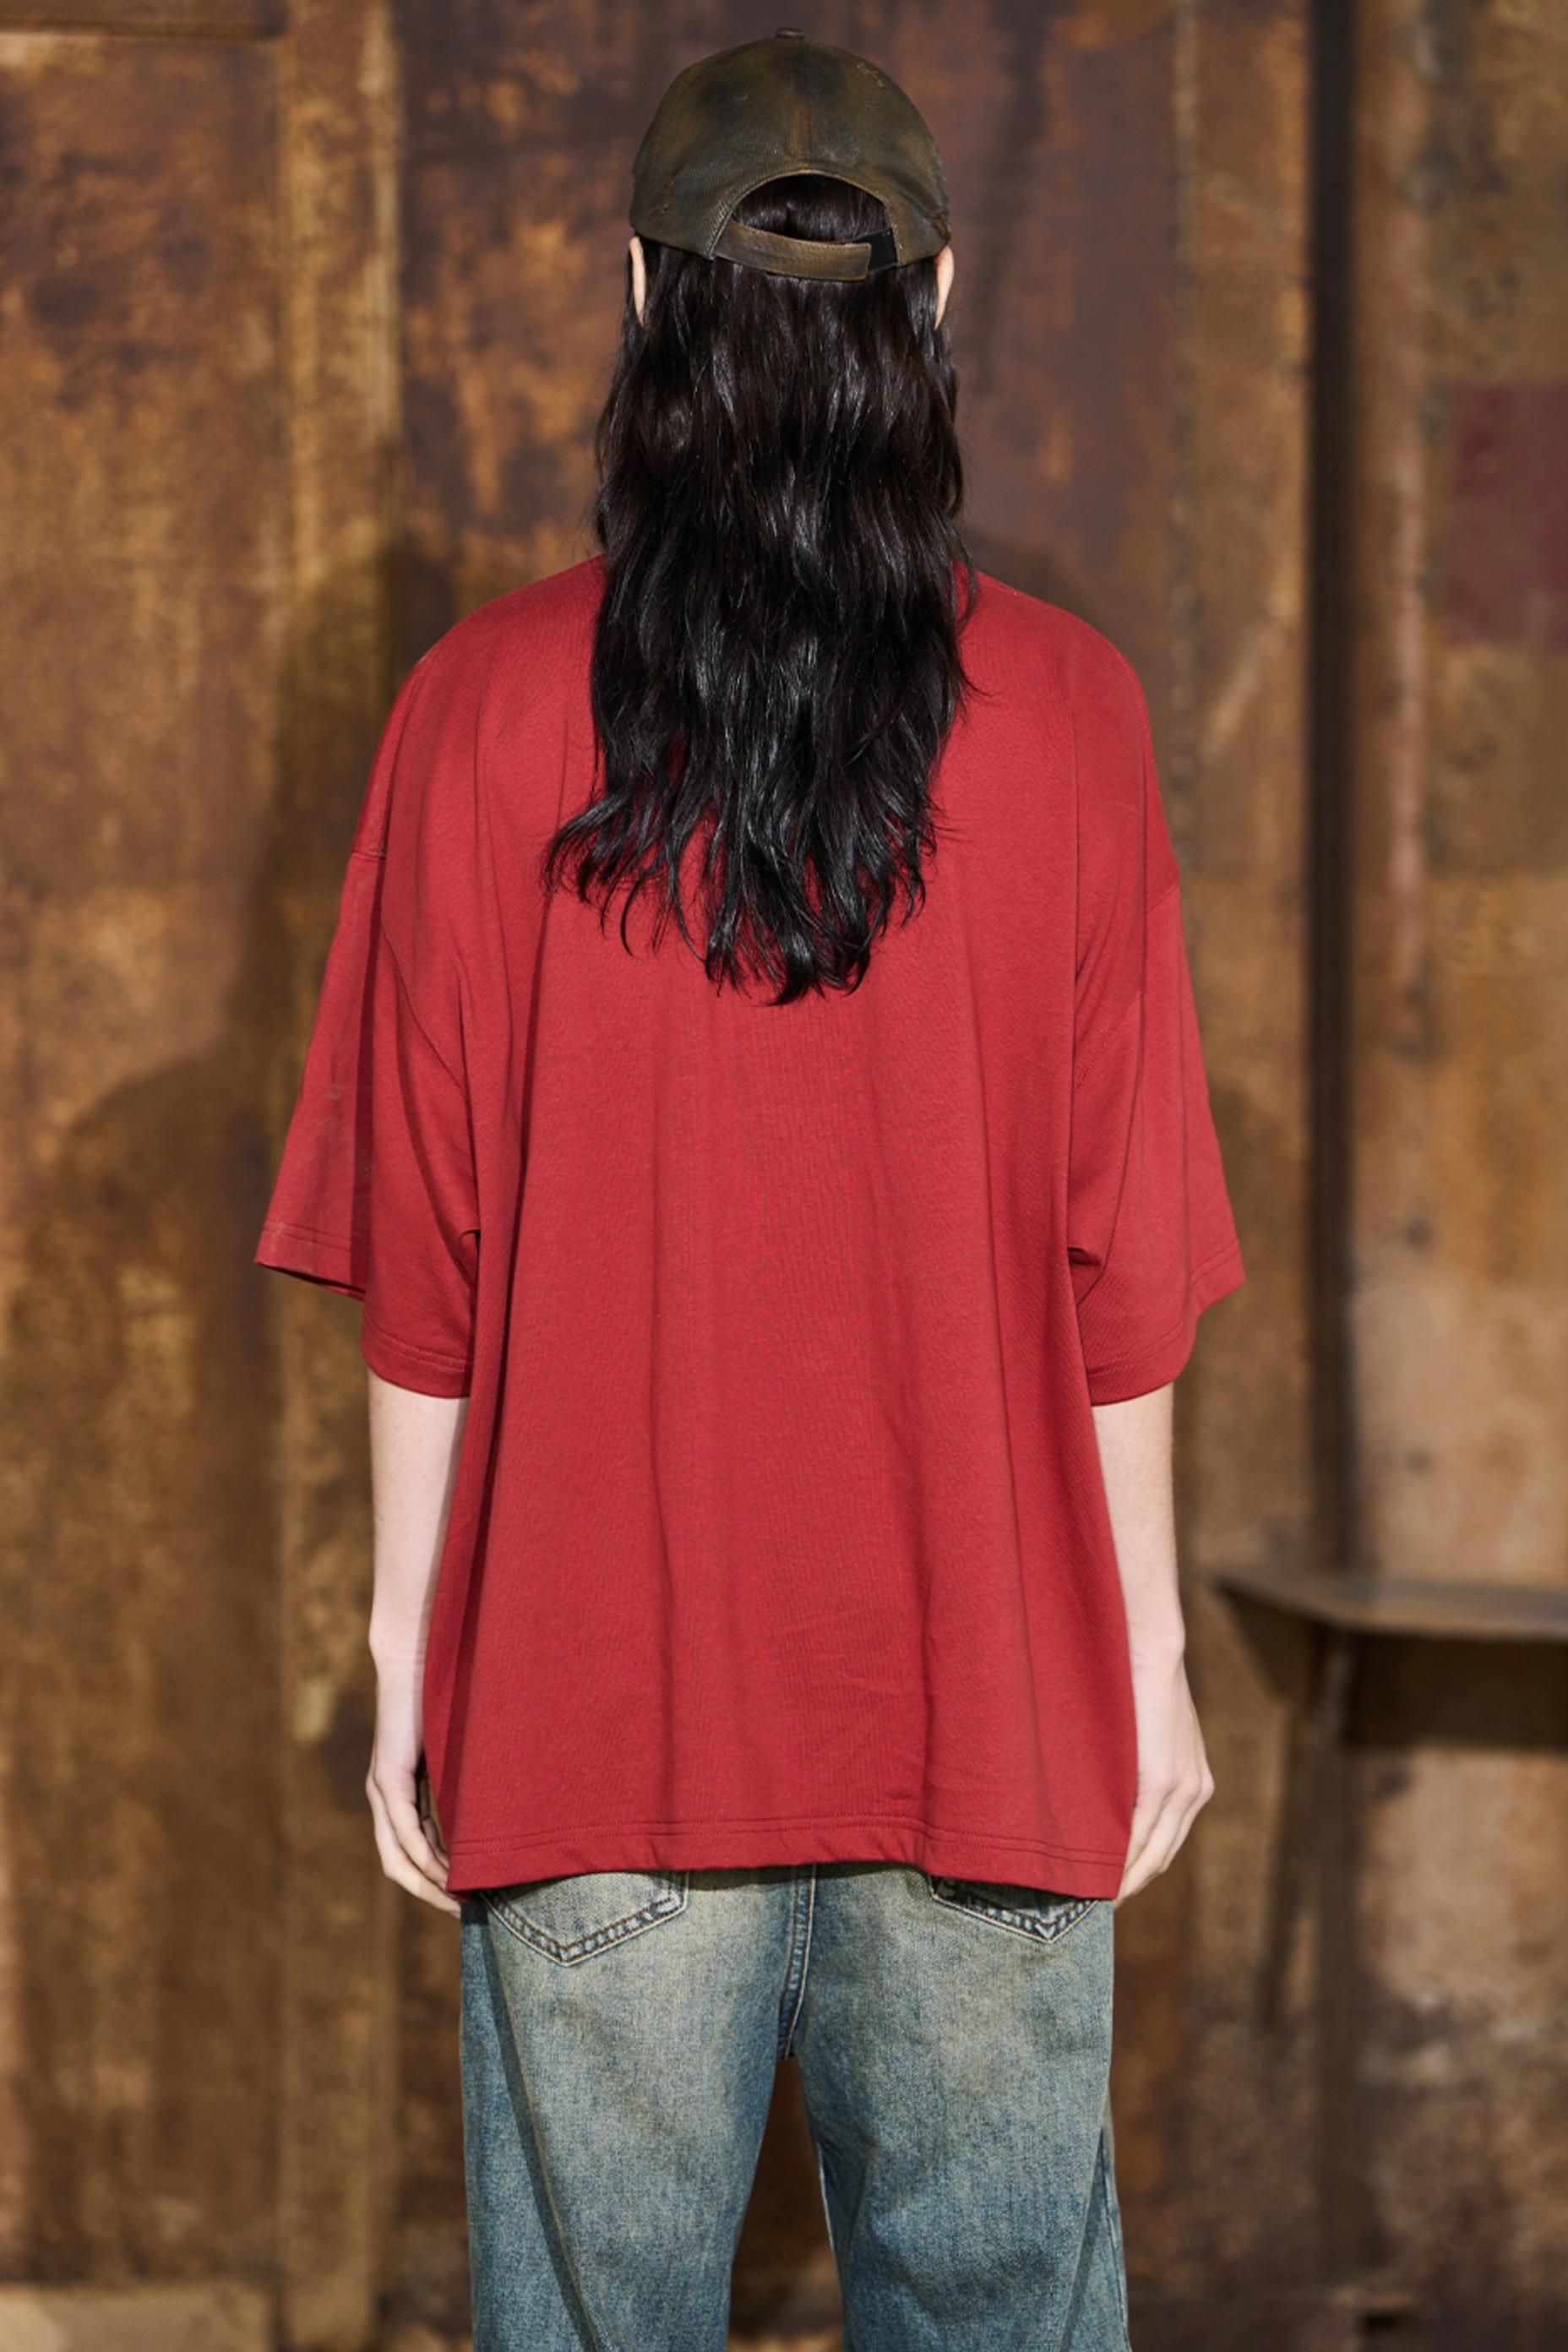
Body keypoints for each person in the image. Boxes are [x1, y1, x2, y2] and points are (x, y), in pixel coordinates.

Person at [254, 29, 1247, 2350]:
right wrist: (1147, 1653)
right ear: (939, 301)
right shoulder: (1076, 716)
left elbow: (429, 1264)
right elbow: (1123, 1273)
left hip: (591, 1708)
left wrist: (411, 1644)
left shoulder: (477, 708)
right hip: (986, 1706)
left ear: (638, 293)